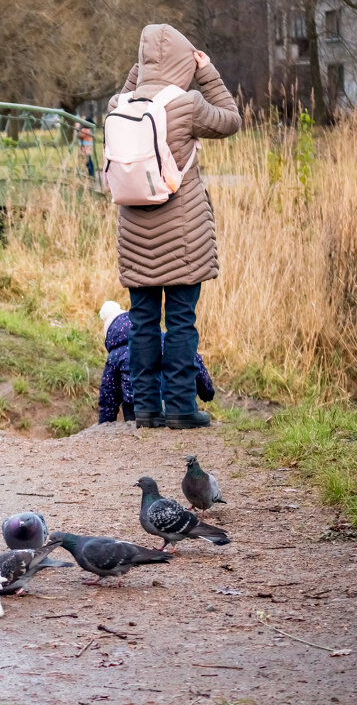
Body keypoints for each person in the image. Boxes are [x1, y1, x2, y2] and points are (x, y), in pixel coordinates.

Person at [107, 24, 239, 429]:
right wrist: (208, 71)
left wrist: (141, 72)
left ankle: (146, 408)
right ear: (183, 63)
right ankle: (181, 407)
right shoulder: (187, 105)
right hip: (183, 238)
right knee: (181, 321)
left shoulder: (119, 103)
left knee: (143, 321)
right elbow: (231, 119)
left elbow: (133, 88)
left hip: (134, 236)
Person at [97, 301, 214, 424]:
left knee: (131, 397)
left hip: (139, 410)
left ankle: (140, 421)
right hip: (177, 401)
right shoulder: (166, 340)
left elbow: (108, 396)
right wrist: (207, 392)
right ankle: (183, 413)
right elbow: (194, 362)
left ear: (110, 336)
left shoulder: (115, 355)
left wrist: (105, 422)